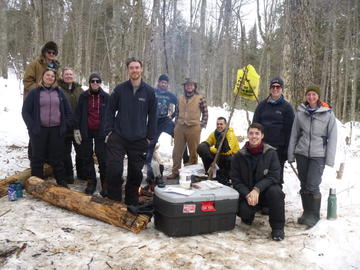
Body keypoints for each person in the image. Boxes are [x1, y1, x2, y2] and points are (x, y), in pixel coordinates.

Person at [104, 57, 157, 205]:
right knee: (114, 170)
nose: (134, 70)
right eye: (131, 68)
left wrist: (149, 137)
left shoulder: (149, 92)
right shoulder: (120, 89)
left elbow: (153, 116)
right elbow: (109, 110)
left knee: (135, 173)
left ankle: (131, 201)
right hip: (119, 136)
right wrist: (109, 130)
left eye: (137, 67)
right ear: (128, 70)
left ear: (141, 69)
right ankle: (113, 200)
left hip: (139, 139)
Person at [288, 85, 337, 228]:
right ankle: (306, 213)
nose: (311, 97)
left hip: (318, 155)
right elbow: (294, 134)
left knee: (313, 184)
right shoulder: (300, 112)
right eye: (308, 94)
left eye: (314, 94)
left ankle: (314, 215)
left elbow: (333, 137)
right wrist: (291, 154)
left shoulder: (327, 113)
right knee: (304, 184)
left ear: (318, 96)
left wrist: (329, 159)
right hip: (302, 153)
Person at [230, 123, 285, 241]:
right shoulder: (239, 156)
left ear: (262, 136)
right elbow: (236, 180)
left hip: (265, 193)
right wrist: (247, 194)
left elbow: (274, 176)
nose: (254, 136)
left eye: (257, 133)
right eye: (251, 133)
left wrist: (257, 189)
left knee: (276, 192)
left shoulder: (271, 153)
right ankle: (249, 214)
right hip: (248, 195)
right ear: (247, 135)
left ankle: (278, 228)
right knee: (245, 215)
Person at [22, 68, 72, 188]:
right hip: (39, 130)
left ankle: (61, 181)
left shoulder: (59, 93)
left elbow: (68, 112)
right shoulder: (34, 92)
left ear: (55, 79)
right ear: (43, 77)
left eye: (52, 76)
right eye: (47, 75)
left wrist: (65, 126)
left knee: (57, 157)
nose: (50, 77)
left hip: (56, 130)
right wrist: (32, 127)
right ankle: (36, 183)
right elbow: (25, 111)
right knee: (37, 158)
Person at [252, 77, 295, 183]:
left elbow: (290, 131)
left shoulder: (287, 108)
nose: (275, 89)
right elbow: (255, 126)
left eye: (278, 87)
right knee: (260, 174)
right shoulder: (262, 106)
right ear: (270, 89)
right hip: (262, 147)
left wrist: (286, 151)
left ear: (281, 89)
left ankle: (277, 197)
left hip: (278, 150)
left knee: (276, 177)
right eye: (273, 87)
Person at [74, 73, 109, 195]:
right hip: (86, 131)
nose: (95, 83)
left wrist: (109, 130)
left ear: (100, 83)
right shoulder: (83, 96)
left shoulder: (106, 97)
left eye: (97, 81)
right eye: (93, 81)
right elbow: (78, 114)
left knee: (102, 157)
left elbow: (111, 115)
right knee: (87, 157)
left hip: (101, 132)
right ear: (89, 83)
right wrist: (76, 130)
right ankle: (91, 182)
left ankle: (105, 183)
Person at [166, 78, 208, 179]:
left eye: (191, 85)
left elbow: (205, 112)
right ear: (184, 87)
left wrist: (201, 125)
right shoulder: (180, 98)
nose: (189, 87)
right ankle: (175, 172)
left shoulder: (200, 98)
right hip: (180, 127)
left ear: (194, 87)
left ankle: (192, 173)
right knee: (177, 151)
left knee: (193, 152)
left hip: (194, 128)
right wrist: (176, 123)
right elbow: (177, 111)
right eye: (187, 85)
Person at [145, 74, 177, 186]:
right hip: (154, 122)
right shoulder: (152, 91)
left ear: (168, 85)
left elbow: (179, 106)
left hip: (165, 120)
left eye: (165, 83)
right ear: (158, 83)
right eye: (161, 82)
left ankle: (181, 164)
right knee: (151, 144)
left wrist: (172, 116)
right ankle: (149, 168)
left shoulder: (170, 95)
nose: (163, 84)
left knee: (179, 136)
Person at [58, 68, 84, 183]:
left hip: (78, 126)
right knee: (65, 152)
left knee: (81, 151)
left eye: (70, 74)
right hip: (64, 126)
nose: (68, 76)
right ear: (62, 76)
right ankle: (68, 175)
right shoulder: (57, 89)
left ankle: (82, 173)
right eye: (66, 74)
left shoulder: (79, 90)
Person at [197, 117, 240, 185]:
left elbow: (227, 152)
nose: (219, 126)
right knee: (202, 149)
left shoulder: (230, 134)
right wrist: (203, 147)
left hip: (231, 159)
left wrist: (210, 149)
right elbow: (208, 142)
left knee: (226, 157)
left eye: (221, 124)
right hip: (220, 155)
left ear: (226, 125)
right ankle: (211, 172)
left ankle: (226, 177)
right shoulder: (215, 133)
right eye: (217, 124)